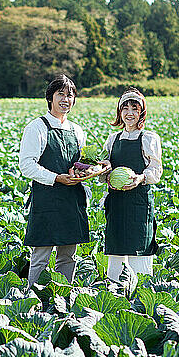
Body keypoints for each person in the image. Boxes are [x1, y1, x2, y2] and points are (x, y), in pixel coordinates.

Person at [19, 74, 89, 288]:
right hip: (46, 200)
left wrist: (85, 173)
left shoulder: (77, 131)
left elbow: (82, 163)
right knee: (40, 256)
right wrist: (56, 178)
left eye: (70, 96)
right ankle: (33, 299)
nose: (65, 100)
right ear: (50, 97)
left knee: (68, 257)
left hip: (71, 200)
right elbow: (26, 165)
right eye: (61, 94)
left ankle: (63, 297)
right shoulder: (37, 127)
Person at [99, 87, 162, 280]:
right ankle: (115, 299)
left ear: (141, 112)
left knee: (140, 260)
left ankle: (140, 301)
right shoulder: (112, 139)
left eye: (134, 108)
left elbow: (156, 171)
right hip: (117, 204)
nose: (129, 113)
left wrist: (140, 178)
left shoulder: (149, 138)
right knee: (115, 261)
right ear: (119, 112)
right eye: (125, 108)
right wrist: (106, 170)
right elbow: (102, 172)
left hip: (138, 204)